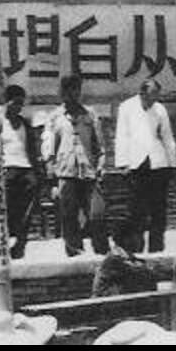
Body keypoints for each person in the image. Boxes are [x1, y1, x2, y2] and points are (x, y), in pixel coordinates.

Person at [42, 76, 109, 257]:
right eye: (69, 90)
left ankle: (103, 255)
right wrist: (53, 182)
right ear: (62, 93)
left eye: (76, 90)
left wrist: (101, 166)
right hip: (66, 174)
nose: (73, 94)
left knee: (97, 215)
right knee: (69, 217)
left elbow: (100, 147)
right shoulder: (54, 117)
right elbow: (48, 151)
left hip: (88, 173)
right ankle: (75, 254)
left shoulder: (90, 114)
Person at [113, 79, 176, 253]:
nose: (153, 101)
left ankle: (157, 247)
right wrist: (123, 163)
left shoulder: (160, 109)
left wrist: (173, 164)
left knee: (159, 209)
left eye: (156, 97)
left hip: (158, 163)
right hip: (136, 164)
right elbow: (122, 136)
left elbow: (167, 137)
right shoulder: (127, 107)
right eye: (150, 97)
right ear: (142, 93)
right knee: (136, 210)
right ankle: (136, 247)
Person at [0, 86, 42, 259]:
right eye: (15, 103)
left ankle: (20, 246)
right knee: (7, 210)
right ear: (6, 102)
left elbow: (32, 150)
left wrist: (37, 172)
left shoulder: (25, 124)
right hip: (7, 170)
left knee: (26, 212)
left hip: (26, 170)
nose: (18, 107)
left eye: (21, 104)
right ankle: (5, 246)